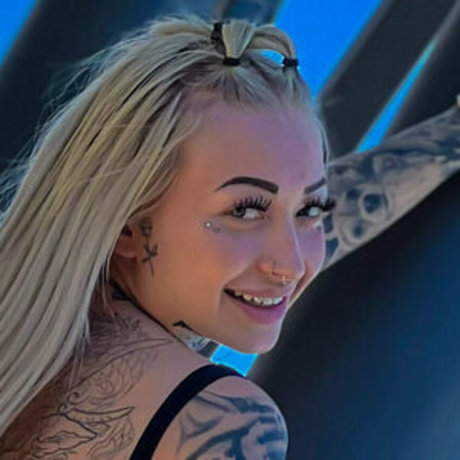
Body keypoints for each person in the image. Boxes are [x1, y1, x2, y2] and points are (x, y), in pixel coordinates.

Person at [0, 13, 458, 459]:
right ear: (126, 224)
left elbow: (346, 208)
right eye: (245, 211)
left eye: (309, 210)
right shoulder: (220, 423)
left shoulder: (26, 334)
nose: (291, 265)